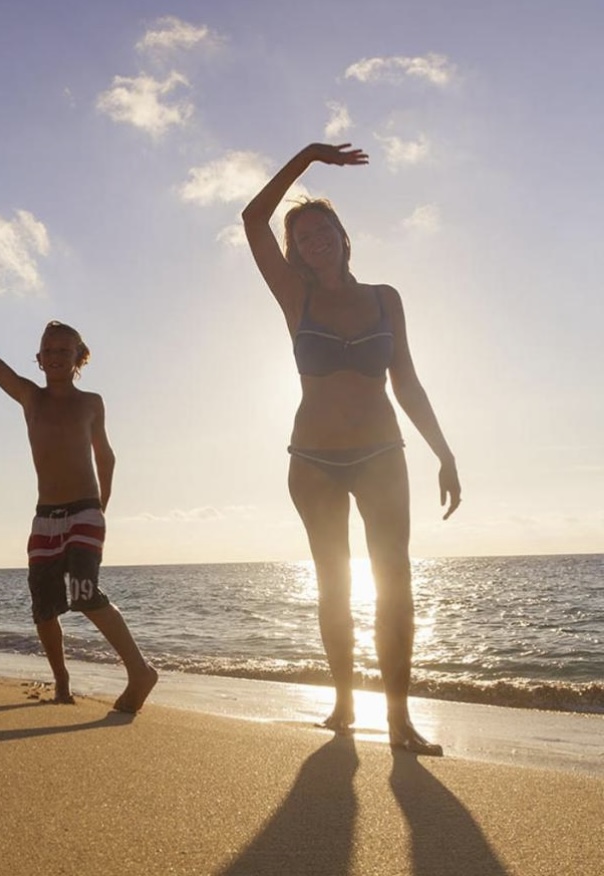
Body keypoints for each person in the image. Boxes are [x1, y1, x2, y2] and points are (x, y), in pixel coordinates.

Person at [241, 142, 461, 755]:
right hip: (312, 461)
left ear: (343, 237)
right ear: (295, 250)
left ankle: (398, 718)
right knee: (333, 585)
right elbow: (251, 219)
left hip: (382, 453)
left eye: (324, 231)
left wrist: (444, 453)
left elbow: (406, 380)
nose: (315, 241)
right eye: (303, 236)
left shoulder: (386, 298)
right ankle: (342, 701)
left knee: (395, 583)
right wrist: (309, 156)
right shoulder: (296, 296)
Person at [0, 270, 159, 713]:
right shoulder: (31, 397)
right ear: (39, 359)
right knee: (43, 606)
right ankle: (61, 679)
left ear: (80, 357)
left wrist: (101, 508)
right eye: (49, 350)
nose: (56, 355)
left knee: (85, 593)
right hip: (45, 518)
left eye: (65, 350)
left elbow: (106, 457)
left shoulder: (91, 403)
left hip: (84, 511)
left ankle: (139, 670)